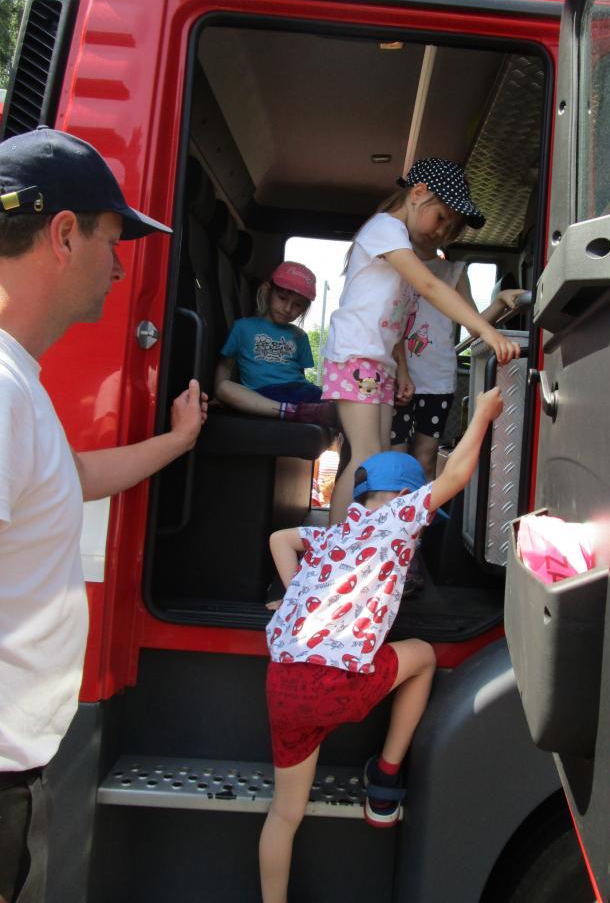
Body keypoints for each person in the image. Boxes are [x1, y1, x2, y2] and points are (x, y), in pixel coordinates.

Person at [0, 126, 208, 903]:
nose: (121, 269)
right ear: (63, 234)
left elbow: (72, 477)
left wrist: (177, 442)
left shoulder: (20, 385)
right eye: (112, 243)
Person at [258, 386, 504, 903]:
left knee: (284, 813)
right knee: (424, 657)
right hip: (337, 683)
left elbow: (281, 538)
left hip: (283, 683)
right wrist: (482, 412)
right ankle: (386, 783)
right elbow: (456, 476)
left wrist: (293, 594)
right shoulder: (397, 520)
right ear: (408, 499)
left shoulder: (335, 532)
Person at [321, 158, 519, 523]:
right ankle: (337, 545)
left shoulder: (399, 244)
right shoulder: (385, 229)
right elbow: (429, 286)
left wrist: (401, 369)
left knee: (379, 457)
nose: (441, 231)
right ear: (418, 193)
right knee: (366, 457)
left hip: (378, 362)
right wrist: (487, 330)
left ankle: (362, 540)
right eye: (441, 217)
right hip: (355, 356)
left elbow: (395, 324)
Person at [392, 220, 525, 479]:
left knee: (425, 458)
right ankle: (393, 506)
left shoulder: (455, 271)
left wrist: (499, 300)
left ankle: (422, 507)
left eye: (448, 225)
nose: (437, 229)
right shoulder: (396, 262)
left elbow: (475, 326)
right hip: (397, 373)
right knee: (394, 458)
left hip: (437, 379)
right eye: (436, 219)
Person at [214, 260, 335, 426]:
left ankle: (298, 411)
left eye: (298, 305)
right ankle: (290, 411)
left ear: (304, 309)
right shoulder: (242, 327)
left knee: (337, 403)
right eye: (282, 298)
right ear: (267, 291)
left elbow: (301, 375)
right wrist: (218, 397)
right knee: (224, 388)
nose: (288, 309)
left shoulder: (300, 335)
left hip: (297, 391)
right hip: (259, 395)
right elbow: (226, 365)